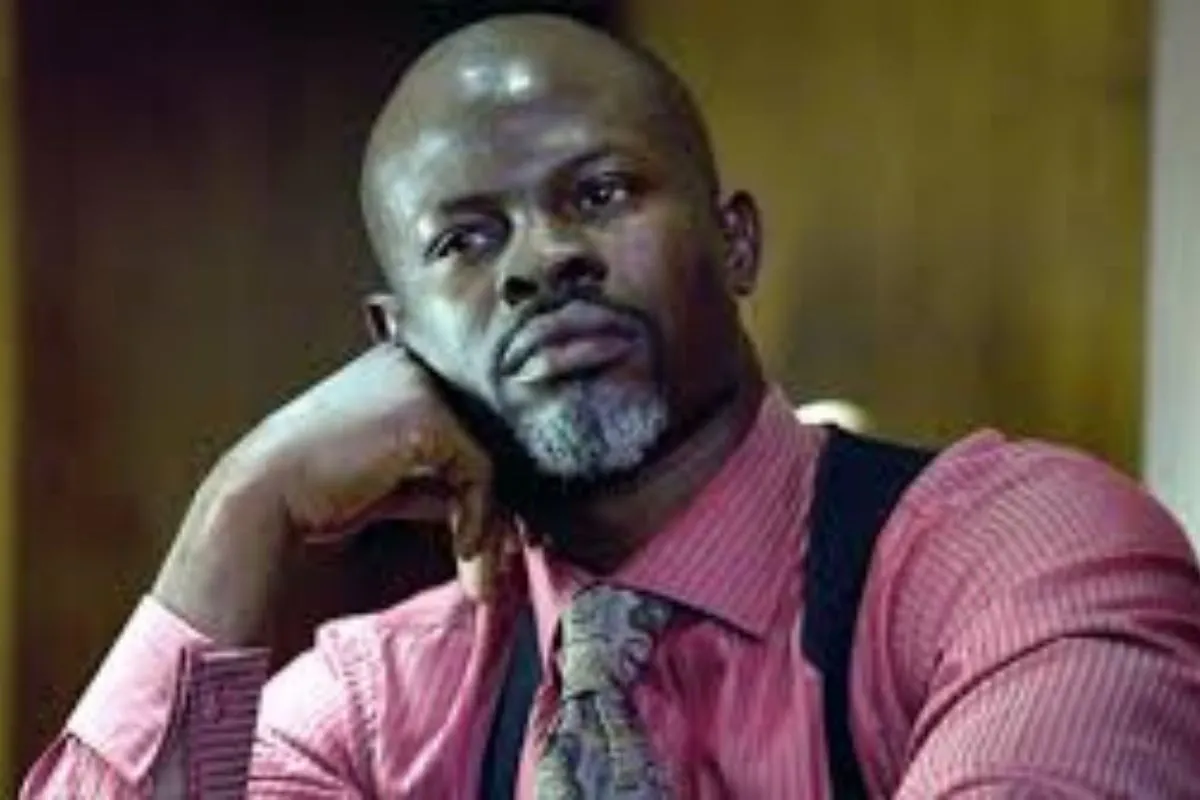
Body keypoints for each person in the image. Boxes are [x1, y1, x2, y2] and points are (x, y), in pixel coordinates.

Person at [22, 12, 1200, 799]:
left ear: (736, 244)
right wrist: (239, 510)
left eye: (599, 192)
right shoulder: (380, 706)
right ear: (396, 343)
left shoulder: (1020, 555)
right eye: (466, 239)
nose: (540, 262)